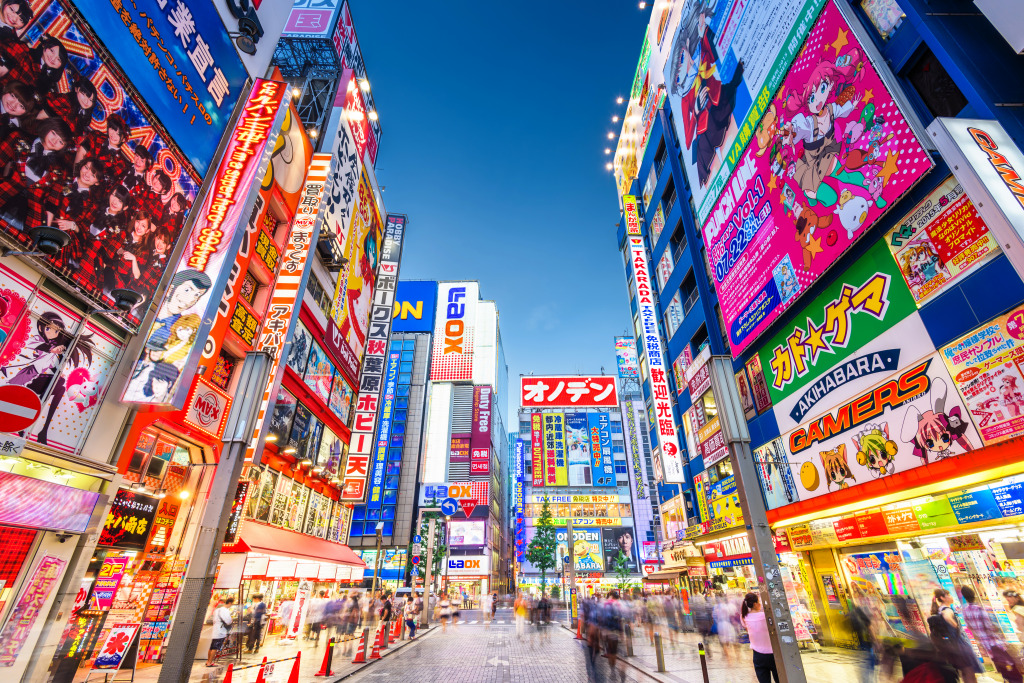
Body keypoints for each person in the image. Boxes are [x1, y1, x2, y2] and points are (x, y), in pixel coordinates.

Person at [962, 586, 1022, 683]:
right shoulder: (983, 609)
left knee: (1003, 669)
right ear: (974, 595)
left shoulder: (965, 611)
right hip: (996, 644)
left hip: (987, 646)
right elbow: (991, 627)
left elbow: (970, 628)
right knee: (1012, 670)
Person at [928, 588, 980, 683]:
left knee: (964, 672)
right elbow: (947, 617)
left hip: (951, 646)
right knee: (969, 672)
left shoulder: (938, 610)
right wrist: (957, 627)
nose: (951, 597)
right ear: (942, 598)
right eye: (949, 595)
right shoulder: (947, 610)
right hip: (959, 645)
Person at [741, 592, 778, 683]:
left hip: (758, 656)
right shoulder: (766, 615)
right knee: (780, 679)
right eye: (759, 601)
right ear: (755, 604)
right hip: (773, 654)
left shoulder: (744, 617)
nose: (760, 603)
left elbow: (747, 628)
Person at [207, 596, 234, 667]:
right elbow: (228, 621)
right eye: (232, 604)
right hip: (220, 631)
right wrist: (231, 620)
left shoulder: (217, 610)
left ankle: (208, 661)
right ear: (230, 603)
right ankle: (210, 662)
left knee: (212, 647)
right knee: (215, 647)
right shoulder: (225, 610)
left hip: (216, 629)